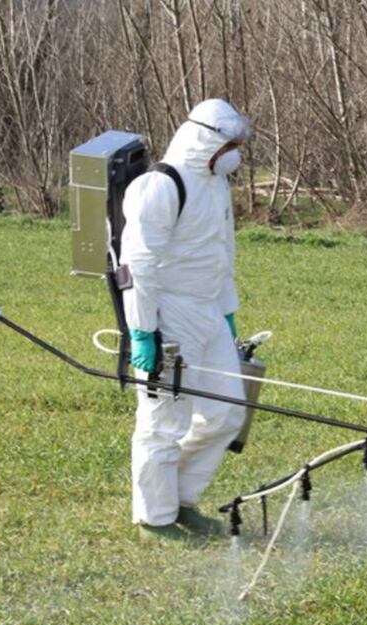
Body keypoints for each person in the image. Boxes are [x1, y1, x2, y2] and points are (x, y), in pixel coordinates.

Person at [120, 99, 251, 540]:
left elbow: (222, 253)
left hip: (209, 311)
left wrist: (227, 312)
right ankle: (154, 519)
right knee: (163, 423)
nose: (235, 155)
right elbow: (137, 266)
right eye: (229, 146)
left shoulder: (216, 185)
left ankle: (180, 499)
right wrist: (143, 331)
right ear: (204, 141)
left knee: (226, 413)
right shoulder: (160, 185)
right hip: (169, 313)